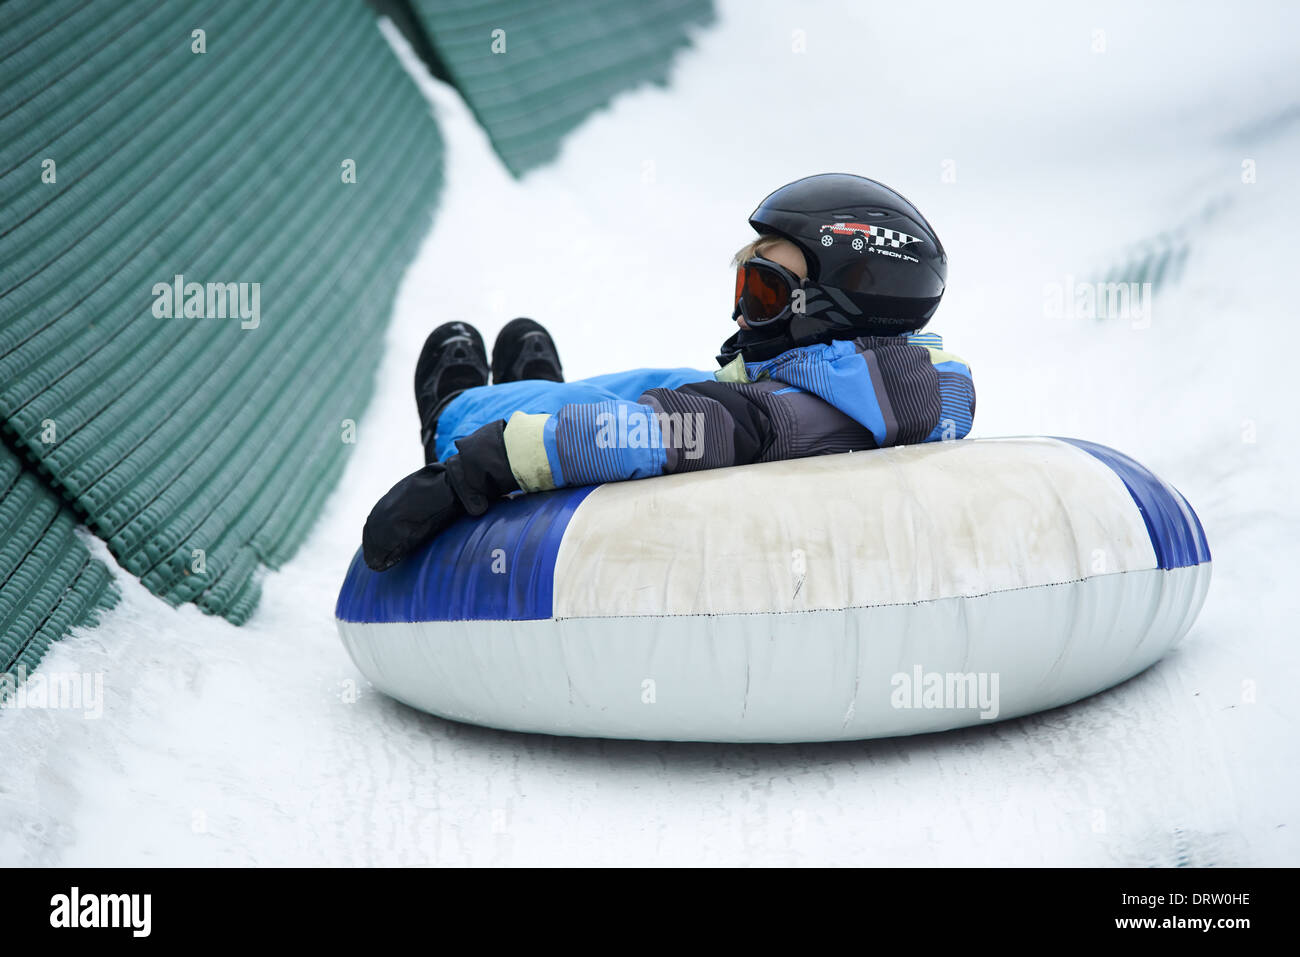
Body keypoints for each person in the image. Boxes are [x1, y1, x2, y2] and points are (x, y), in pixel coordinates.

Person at [362, 173, 975, 571]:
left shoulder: (773, 418)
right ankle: (545, 392)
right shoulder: (914, 382)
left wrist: (478, 464)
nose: (741, 312)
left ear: (834, 308)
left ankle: (462, 411)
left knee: (646, 411)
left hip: (713, 423)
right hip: (760, 400)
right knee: (670, 382)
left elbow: (635, 437)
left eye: (763, 291)